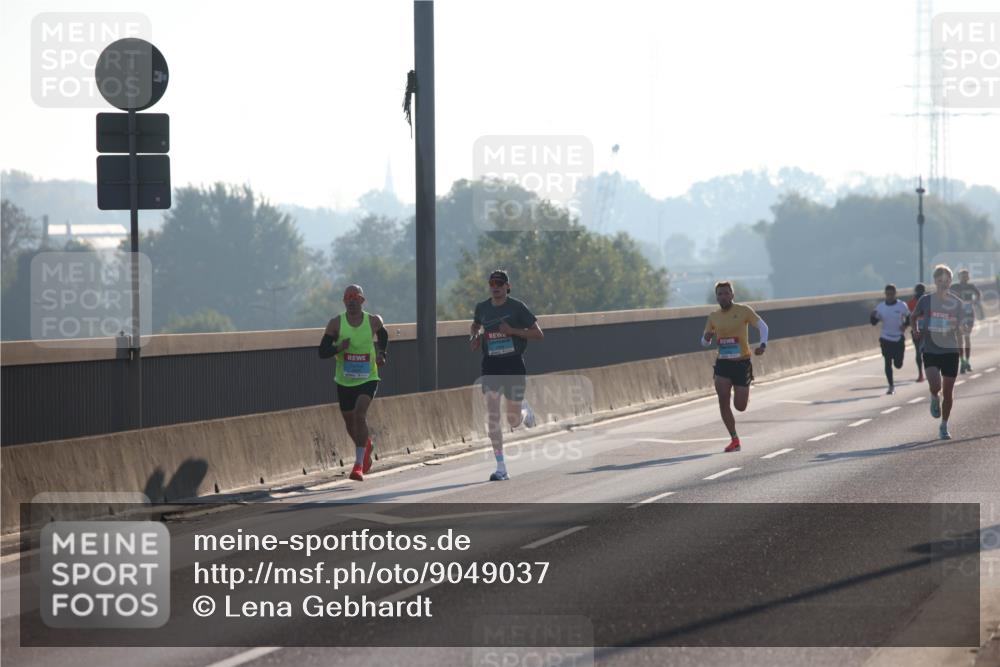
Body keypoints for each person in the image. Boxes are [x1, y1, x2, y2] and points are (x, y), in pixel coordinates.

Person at [470, 269, 543, 481]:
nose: (495, 287)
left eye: (499, 284)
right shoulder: (482, 308)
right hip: (491, 364)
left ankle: (523, 410)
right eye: (492, 283)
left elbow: (538, 334)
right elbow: (476, 325)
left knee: (513, 421)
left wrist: (513, 331)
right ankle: (501, 467)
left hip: (513, 364)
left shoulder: (517, 307)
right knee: (493, 415)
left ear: (507, 287)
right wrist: (474, 337)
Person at [318, 285, 388, 481]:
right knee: (350, 423)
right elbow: (322, 352)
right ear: (344, 301)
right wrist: (339, 347)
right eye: (347, 297)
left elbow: (383, 335)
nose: (351, 300)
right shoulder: (335, 324)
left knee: (359, 414)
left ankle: (358, 466)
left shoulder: (373, 321)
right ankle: (366, 446)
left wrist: (382, 353)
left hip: (368, 377)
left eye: (355, 297)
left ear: (362, 300)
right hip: (345, 380)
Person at [701, 281, 769, 453]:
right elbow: (704, 342)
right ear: (716, 297)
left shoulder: (743, 311)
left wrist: (763, 345)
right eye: (720, 294)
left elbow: (763, 327)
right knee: (723, 399)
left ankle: (742, 391)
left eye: (726, 293)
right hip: (723, 364)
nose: (723, 296)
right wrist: (706, 338)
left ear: (732, 295)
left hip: (741, 363)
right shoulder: (713, 316)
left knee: (740, 406)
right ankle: (734, 439)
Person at [911, 265, 975, 440]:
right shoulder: (926, 300)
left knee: (948, 392)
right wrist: (915, 330)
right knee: (935, 386)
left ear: (950, 282)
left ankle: (944, 425)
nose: (943, 284)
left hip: (950, 351)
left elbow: (963, 324)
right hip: (930, 349)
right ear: (935, 281)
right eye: (940, 281)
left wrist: (962, 327)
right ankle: (934, 396)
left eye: (946, 281)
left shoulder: (957, 303)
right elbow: (913, 316)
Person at [870, 284, 910, 394]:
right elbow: (873, 322)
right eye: (888, 294)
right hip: (885, 338)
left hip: (898, 338)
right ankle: (891, 386)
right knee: (887, 362)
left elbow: (909, 317)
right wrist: (872, 316)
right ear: (885, 294)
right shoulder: (880, 307)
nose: (890, 296)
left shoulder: (902, 305)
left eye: (892, 294)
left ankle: (898, 362)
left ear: (895, 294)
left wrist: (905, 325)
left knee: (898, 364)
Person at [950, 269, 982, 373]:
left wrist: (974, 302)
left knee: (967, 338)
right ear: (959, 277)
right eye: (963, 276)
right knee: (959, 339)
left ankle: (967, 362)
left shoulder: (971, 286)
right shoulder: (954, 286)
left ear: (968, 277)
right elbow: (947, 296)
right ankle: (962, 362)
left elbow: (978, 295)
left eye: (966, 276)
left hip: (969, 314)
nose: (965, 278)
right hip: (958, 315)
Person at [906, 283, 927, 382]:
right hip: (927, 330)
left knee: (918, 352)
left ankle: (921, 374)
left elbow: (909, 317)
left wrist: (905, 325)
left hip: (916, 329)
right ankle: (927, 372)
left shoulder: (911, 303)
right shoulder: (928, 301)